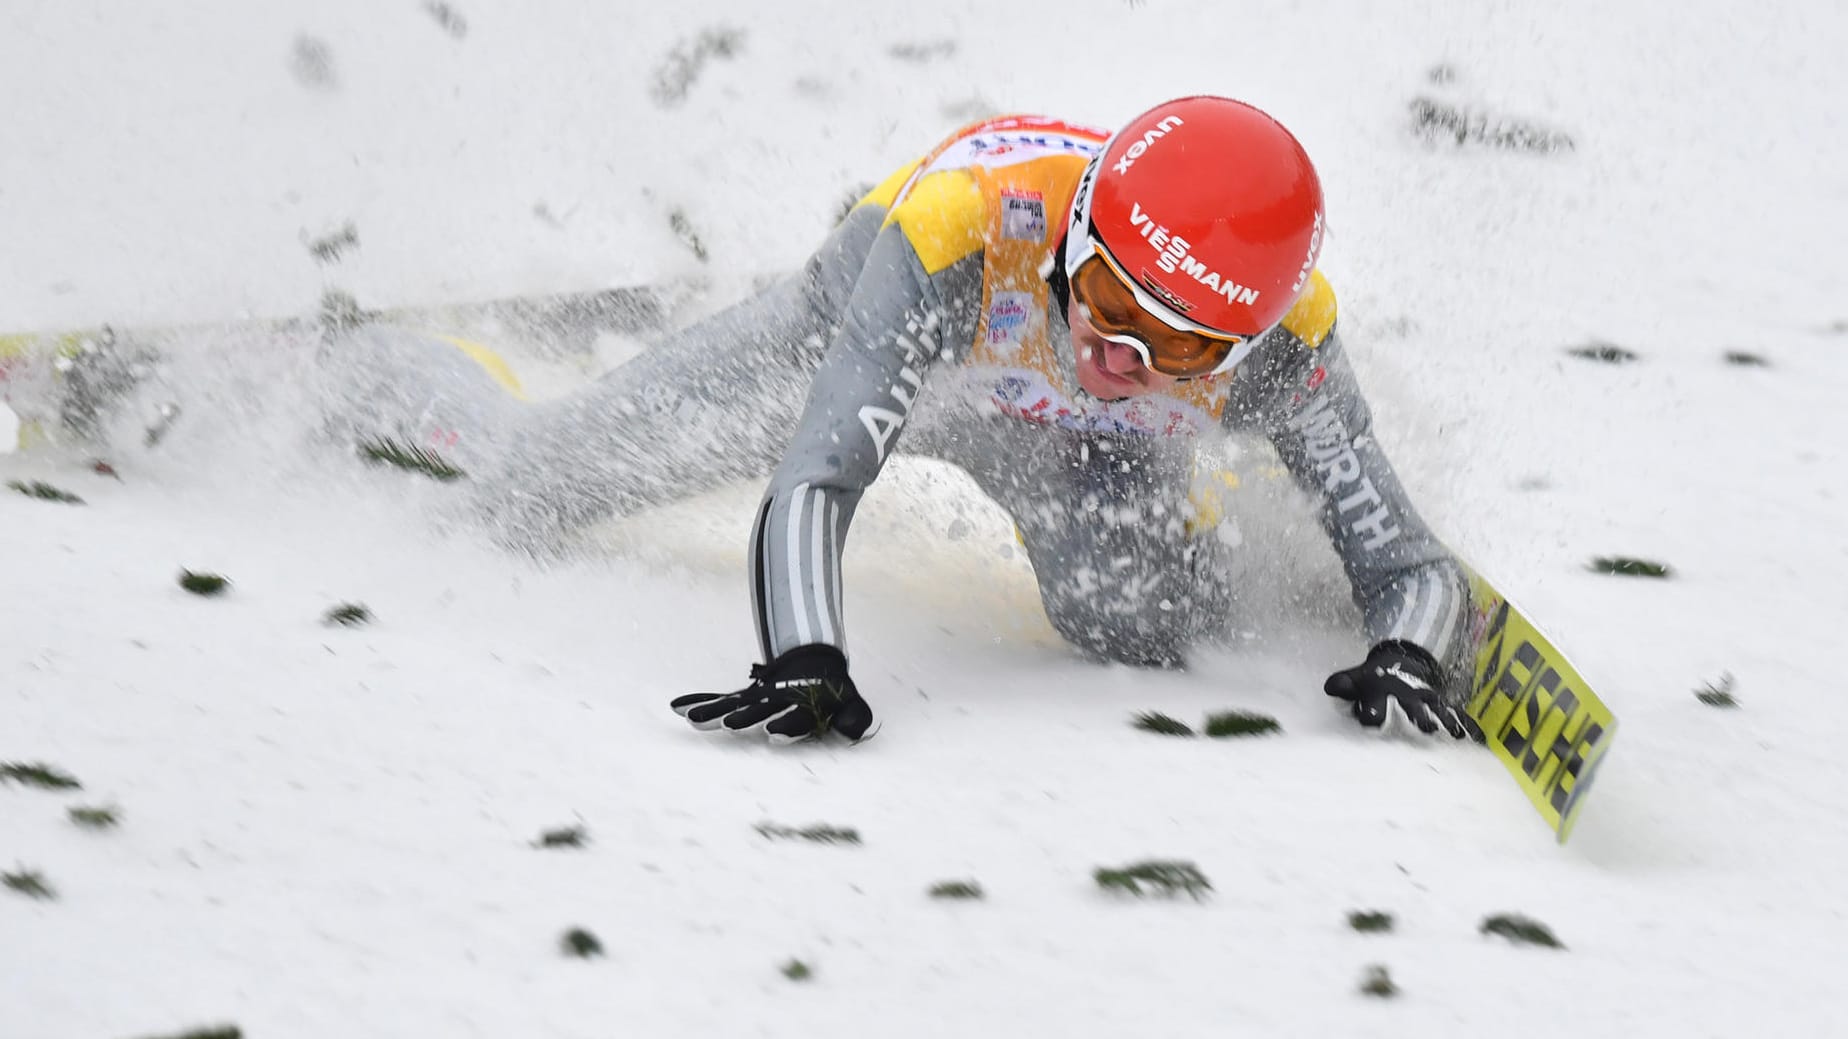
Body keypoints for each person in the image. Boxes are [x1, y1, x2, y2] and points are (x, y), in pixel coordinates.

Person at [14, 97, 1480, 746]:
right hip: (838, 349)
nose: (1125, 351)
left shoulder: (1283, 339)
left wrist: (1403, 637)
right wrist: (811, 660)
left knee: (1147, 628)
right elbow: (822, 471)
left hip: (1046, 448)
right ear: (1078, 228)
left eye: (1182, 347)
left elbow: (1404, 550)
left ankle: (1211, 524)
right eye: (1110, 304)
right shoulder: (965, 230)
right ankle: (423, 371)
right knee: (519, 495)